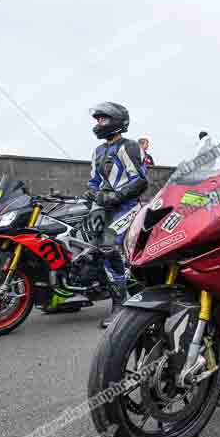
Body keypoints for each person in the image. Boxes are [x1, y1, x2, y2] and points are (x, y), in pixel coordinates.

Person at [82, 102, 148, 328]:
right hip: (105, 207)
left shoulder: (129, 147)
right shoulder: (98, 151)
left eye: (103, 119)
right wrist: (93, 196)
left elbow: (140, 181)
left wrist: (115, 197)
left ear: (116, 121)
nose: (99, 124)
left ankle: (121, 304)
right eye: (98, 120)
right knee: (91, 246)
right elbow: (93, 182)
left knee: (108, 245)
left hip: (127, 206)